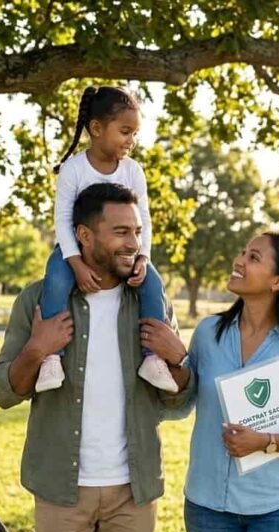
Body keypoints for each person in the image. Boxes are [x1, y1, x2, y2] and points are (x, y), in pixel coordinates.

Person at [0, 183, 192, 532]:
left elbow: (178, 400)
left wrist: (177, 358)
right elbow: (3, 391)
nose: (133, 243)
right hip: (60, 490)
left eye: (137, 231)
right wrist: (37, 349)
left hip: (133, 491)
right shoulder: (39, 300)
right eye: (121, 232)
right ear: (83, 235)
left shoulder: (151, 302)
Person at [140, 231, 279, 532]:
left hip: (275, 507)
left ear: (278, 281)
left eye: (253, 257)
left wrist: (266, 442)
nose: (239, 261)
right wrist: (178, 361)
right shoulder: (208, 332)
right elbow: (181, 406)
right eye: (243, 252)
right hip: (207, 506)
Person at [36, 85, 175, 393]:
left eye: (135, 134)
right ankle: (51, 358)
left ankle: (153, 358)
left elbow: (144, 219)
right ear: (97, 129)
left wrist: (143, 258)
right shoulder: (73, 170)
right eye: (125, 132)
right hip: (73, 249)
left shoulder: (133, 171)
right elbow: (62, 219)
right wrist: (76, 264)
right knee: (55, 281)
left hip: (124, 253)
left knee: (153, 285)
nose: (131, 141)